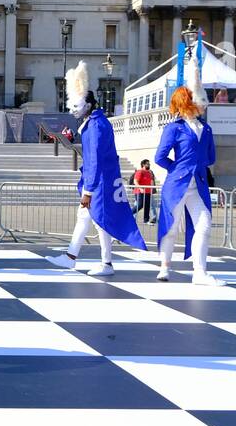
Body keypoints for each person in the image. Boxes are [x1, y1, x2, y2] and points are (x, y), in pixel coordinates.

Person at [46, 61, 146, 276]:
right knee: (86, 217)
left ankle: (104, 263)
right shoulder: (96, 123)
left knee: (100, 220)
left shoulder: (96, 126)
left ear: (88, 105)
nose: (72, 110)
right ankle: (72, 257)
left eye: (76, 105)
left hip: (99, 181)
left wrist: (88, 190)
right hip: (100, 179)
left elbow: (95, 161)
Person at [154, 65, 224, 285]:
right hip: (177, 184)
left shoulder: (207, 128)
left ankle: (199, 271)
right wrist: (178, 169)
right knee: (171, 227)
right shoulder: (174, 128)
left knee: (204, 225)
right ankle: (165, 266)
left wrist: (196, 165)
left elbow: (211, 157)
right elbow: (160, 157)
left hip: (198, 185)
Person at [133, 158, 156, 224]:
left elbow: (151, 181)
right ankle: (129, 214)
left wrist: (152, 189)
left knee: (147, 206)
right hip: (139, 192)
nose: (149, 165)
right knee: (140, 205)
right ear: (143, 165)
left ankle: (146, 220)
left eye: (149, 164)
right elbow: (135, 181)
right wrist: (140, 188)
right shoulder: (140, 172)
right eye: (147, 164)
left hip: (148, 192)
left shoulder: (149, 173)